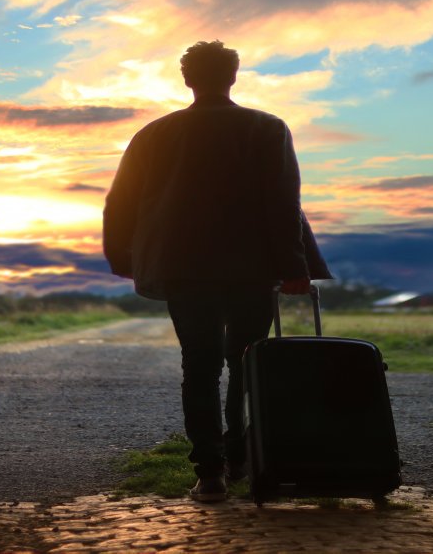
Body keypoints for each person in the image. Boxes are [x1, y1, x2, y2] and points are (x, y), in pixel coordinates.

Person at [103, 40, 331, 503]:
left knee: (199, 367)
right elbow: (284, 204)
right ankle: (243, 458)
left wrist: (126, 260)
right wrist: (294, 268)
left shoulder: (153, 134)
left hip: (183, 268)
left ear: (188, 79)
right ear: (233, 76)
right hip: (252, 268)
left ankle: (210, 474)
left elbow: (120, 203)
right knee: (247, 363)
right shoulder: (266, 128)